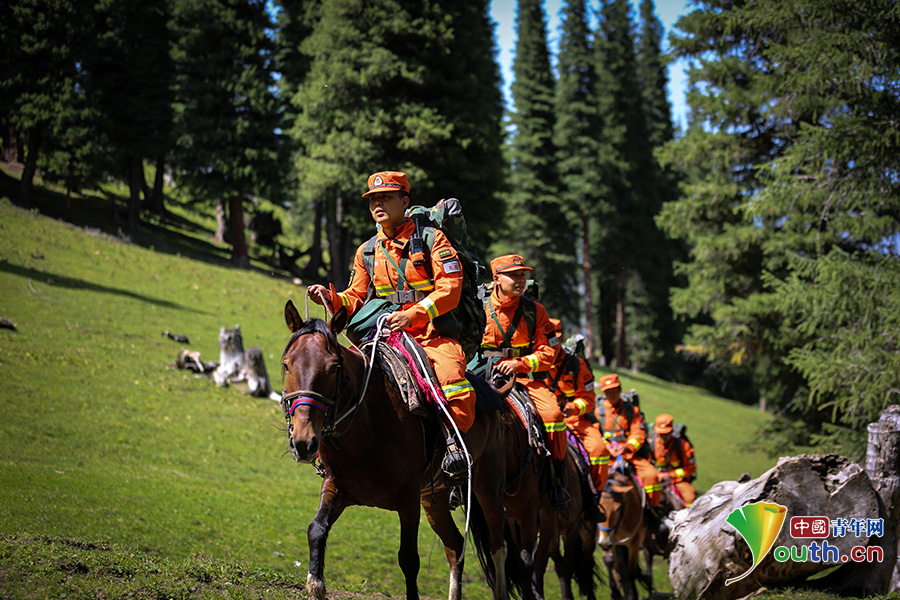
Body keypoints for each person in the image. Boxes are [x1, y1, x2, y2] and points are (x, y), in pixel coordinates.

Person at [307, 171, 475, 482]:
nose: (378, 203)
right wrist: (329, 297)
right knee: (339, 376)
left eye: (386, 197)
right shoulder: (367, 251)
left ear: (405, 201)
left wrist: (414, 316)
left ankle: (455, 448)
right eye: (373, 199)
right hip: (383, 333)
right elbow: (355, 296)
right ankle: (328, 450)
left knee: (453, 379)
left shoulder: (432, 239)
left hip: (432, 334)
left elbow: (450, 288)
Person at [480, 254, 569, 507]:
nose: (521, 280)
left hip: (524, 380)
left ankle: (556, 480)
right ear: (496, 278)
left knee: (553, 416)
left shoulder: (535, 310)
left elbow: (549, 353)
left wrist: (518, 364)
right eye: (514, 275)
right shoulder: (478, 305)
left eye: (523, 275)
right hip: (481, 376)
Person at [545, 319, 610, 516]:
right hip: (543, 416)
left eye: (554, 341)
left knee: (600, 451)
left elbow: (589, 398)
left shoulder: (576, 364)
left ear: (561, 339)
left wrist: (572, 408)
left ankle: (593, 501)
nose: (551, 345)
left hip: (576, 420)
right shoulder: (535, 360)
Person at [596, 373, 667, 539]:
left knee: (651, 476)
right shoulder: (597, 411)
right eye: (608, 392)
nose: (611, 394)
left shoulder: (631, 410)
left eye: (614, 390)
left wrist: (628, 446)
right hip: (607, 456)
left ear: (620, 390)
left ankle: (652, 514)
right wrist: (607, 448)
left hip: (629, 456)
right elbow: (595, 433)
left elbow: (638, 434)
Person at [653, 413, 697, 507]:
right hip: (656, 477)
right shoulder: (652, 443)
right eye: (661, 434)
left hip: (677, 480)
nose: (664, 437)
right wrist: (657, 474)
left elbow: (691, 468)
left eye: (666, 434)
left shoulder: (683, 445)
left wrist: (672, 474)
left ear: (672, 431)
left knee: (690, 497)